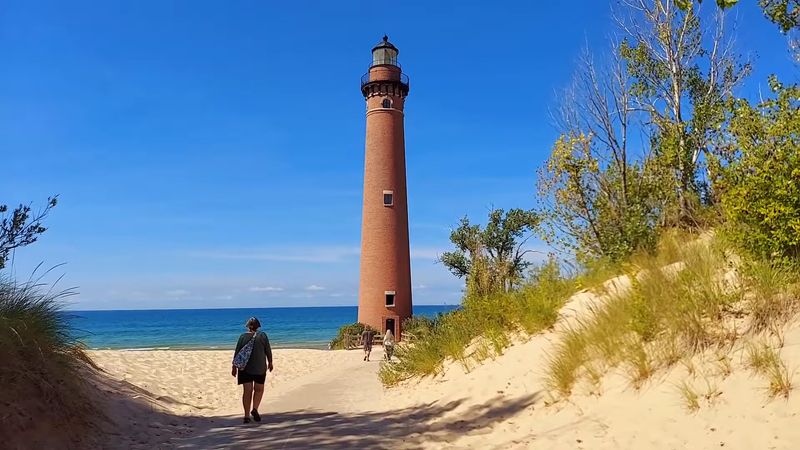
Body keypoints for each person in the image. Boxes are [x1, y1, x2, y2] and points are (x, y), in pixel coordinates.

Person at [232, 317, 273, 424]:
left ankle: (246, 416)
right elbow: (267, 350)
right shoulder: (263, 335)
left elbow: (237, 352)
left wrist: (234, 367)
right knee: (259, 389)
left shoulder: (242, 337)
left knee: (247, 391)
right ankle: (254, 409)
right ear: (258, 326)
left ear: (248, 326)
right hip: (260, 367)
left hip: (245, 368)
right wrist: (270, 362)